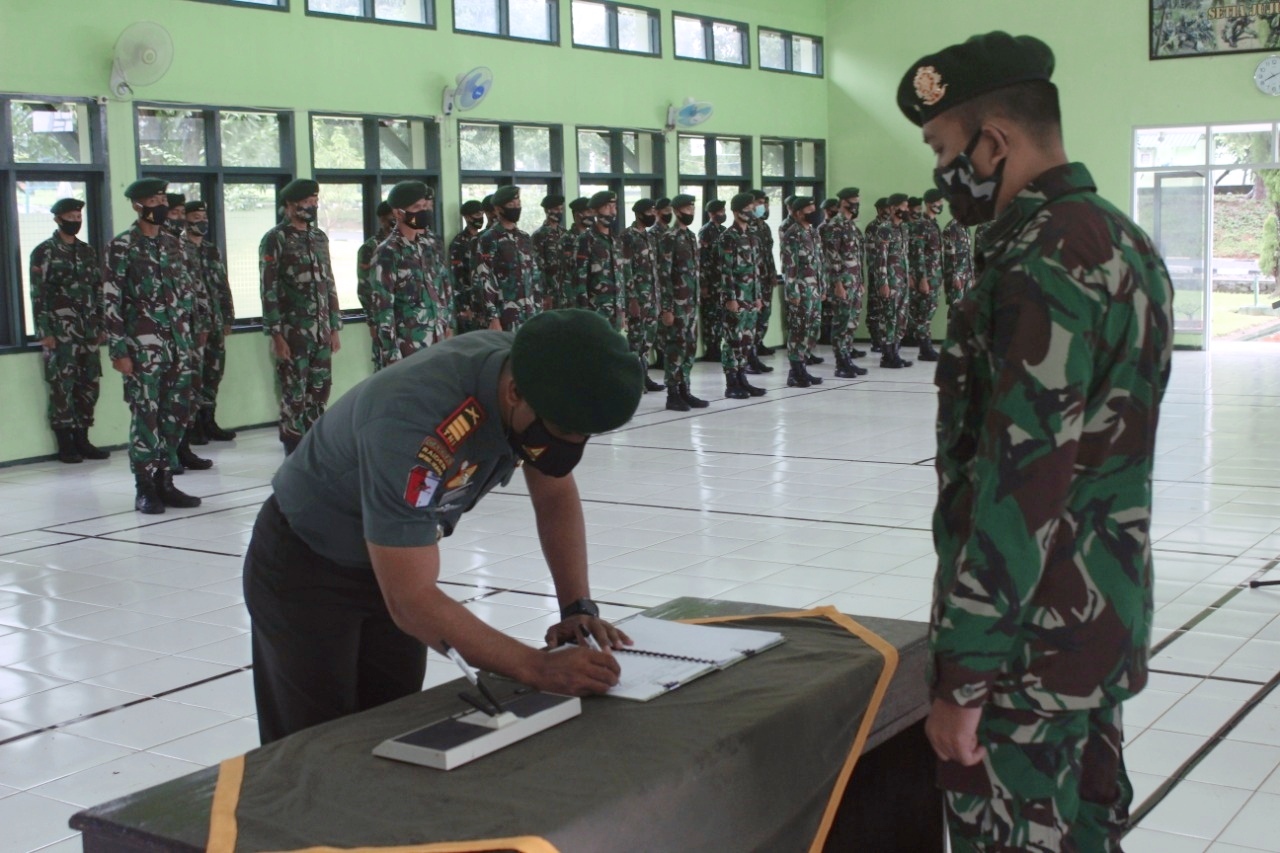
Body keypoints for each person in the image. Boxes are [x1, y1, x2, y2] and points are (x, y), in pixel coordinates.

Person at [898, 31, 1175, 852]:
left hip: (1025, 658)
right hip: (1094, 629)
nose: (943, 174)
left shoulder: (1039, 262)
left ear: (994, 143)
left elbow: (1021, 488)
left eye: (943, 150)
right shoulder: (1121, 241)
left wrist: (965, 678)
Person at [243, 309, 643, 744]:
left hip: (391, 560)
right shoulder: (415, 422)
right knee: (313, 749)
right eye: (563, 430)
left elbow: (554, 494)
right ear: (513, 394)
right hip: (307, 566)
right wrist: (537, 666)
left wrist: (577, 609)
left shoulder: (537, 379)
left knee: (391, 729)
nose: (571, 447)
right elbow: (411, 600)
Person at [103, 179, 202, 514]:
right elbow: (111, 301)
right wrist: (118, 350)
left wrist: (191, 336)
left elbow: (187, 295)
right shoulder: (122, 246)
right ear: (137, 205)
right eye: (153, 199)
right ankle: (144, 486)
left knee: (176, 413)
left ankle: (166, 481)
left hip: (178, 345)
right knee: (146, 415)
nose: (160, 204)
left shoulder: (175, 244)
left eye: (162, 198)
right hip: (142, 349)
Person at [259, 179, 342, 455]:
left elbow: (328, 282)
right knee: (294, 393)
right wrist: (276, 334)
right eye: (307, 202)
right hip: (293, 332)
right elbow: (268, 288)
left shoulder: (318, 237)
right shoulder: (276, 239)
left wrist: (334, 327)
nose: (312, 206)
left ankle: (314, 448)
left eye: (315, 201)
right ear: (290, 206)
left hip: (321, 331)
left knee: (319, 391)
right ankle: (292, 450)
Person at [30, 197, 109, 464]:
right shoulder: (44, 252)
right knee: (62, 387)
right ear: (57, 219)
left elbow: (99, 290)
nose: (75, 221)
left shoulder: (87, 252)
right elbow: (38, 294)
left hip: (88, 331)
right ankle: (66, 444)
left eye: (78, 217)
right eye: (70, 217)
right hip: (60, 333)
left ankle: (83, 439)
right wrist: (45, 331)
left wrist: (100, 324)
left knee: (89, 385)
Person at [370, 181, 450, 369]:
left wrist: (446, 326)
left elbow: (440, 290)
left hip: (436, 340)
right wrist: (392, 354)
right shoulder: (388, 251)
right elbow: (383, 307)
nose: (423, 212)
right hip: (407, 347)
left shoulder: (427, 246)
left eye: (424, 206)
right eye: (416, 208)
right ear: (398, 213)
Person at [164, 193, 214, 471]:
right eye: (175, 212)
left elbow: (197, 290)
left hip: (189, 331)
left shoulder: (183, 247)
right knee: (165, 397)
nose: (180, 218)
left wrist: (203, 324)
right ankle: (165, 455)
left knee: (190, 391)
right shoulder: (147, 247)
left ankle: (183, 448)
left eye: (182, 212)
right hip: (160, 335)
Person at [183, 200, 237, 442]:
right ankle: (192, 425)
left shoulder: (211, 250)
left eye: (204, 216)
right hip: (194, 326)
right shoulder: (179, 250)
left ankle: (209, 419)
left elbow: (222, 285)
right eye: (195, 217)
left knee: (214, 372)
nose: (201, 221)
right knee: (195, 374)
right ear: (185, 220)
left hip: (215, 322)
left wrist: (228, 316)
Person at [658, 194, 709, 412]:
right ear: (677, 211)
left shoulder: (689, 236)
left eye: (693, 208)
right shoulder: (669, 237)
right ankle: (672, 393)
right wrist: (667, 308)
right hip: (677, 304)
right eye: (688, 208)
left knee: (689, 347)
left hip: (690, 302)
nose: (692, 212)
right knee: (675, 348)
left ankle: (685, 389)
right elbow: (663, 275)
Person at [718, 193, 767, 400]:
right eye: (747, 208)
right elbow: (725, 270)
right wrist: (730, 298)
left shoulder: (752, 236)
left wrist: (758, 296)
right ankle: (731, 383)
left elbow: (755, 270)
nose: (752, 211)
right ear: (737, 212)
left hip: (750, 298)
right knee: (733, 341)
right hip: (735, 297)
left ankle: (742, 378)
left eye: (752, 207)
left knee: (747, 340)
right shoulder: (728, 237)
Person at [474, 186, 540, 333]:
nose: (516, 208)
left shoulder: (524, 237)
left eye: (518, 204)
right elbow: (485, 278)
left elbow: (534, 275)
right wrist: (493, 317)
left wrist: (539, 308)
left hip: (529, 313)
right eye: (511, 205)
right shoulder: (489, 238)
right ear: (498, 209)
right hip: (505, 315)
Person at [819, 187, 869, 378]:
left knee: (851, 323)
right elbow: (831, 259)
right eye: (853, 202)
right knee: (841, 323)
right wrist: (838, 284)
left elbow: (857, 257)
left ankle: (848, 358)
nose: (856, 205)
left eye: (857, 201)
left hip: (854, 283)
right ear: (843, 203)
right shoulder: (834, 226)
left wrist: (861, 281)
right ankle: (841, 363)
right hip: (842, 284)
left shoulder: (852, 226)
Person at [780, 196, 825, 388]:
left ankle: (801, 369)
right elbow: (789, 266)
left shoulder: (813, 233)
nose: (814, 213)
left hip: (814, 290)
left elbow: (819, 263)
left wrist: (822, 286)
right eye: (809, 210)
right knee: (799, 331)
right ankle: (796, 371)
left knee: (812, 330)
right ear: (798, 213)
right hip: (800, 290)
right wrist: (793, 293)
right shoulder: (793, 234)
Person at [866, 193, 914, 369]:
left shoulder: (903, 228)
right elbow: (881, 258)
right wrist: (883, 282)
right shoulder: (884, 229)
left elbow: (904, 256)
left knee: (901, 318)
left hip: (902, 281)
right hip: (890, 282)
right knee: (889, 318)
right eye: (903, 206)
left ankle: (895, 353)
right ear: (893, 208)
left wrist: (908, 276)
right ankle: (887, 356)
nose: (907, 210)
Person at [621, 199, 664, 392]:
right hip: (637, 297)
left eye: (654, 211)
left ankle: (644, 375)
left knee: (648, 339)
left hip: (652, 297)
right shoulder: (627, 237)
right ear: (638, 214)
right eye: (649, 211)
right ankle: (633, 378)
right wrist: (631, 299)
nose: (652, 215)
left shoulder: (650, 236)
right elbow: (626, 269)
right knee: (636, 339)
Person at [574, 190, 625, 330]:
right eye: (607, 207)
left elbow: (621, 277)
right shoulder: (585, 240)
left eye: (614, 207)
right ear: (596, 211)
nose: (612, 212)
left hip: (616, 311)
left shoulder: (617, 241)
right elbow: (579, 280)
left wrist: (623, 310)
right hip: (595, 312)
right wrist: (583, 314)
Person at [907, 188, 946, 362]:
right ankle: (925, 348)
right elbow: (918, 253)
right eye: (938, 202)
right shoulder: (921, 225)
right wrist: (922, 278)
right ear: (929, 203)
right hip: (926, 277)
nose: (941, 204)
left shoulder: (933, 223)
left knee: (928, 312)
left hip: (934, 276)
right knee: (923, 313)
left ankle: (926, 346)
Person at [358, 200, 394, 362]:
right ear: (382, 220)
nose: (394, 221)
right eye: (390, 218)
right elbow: (365, 286)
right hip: (382, 319)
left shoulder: (408, 244)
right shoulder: (370, 248)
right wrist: (372, 320)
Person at [746, 189, 779, 366]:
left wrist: (773, 273)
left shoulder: (764, 227)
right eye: (759, 202)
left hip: (766, 276)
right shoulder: (747, 227)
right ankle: (750, 352)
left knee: (765, 313)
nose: (763, 206)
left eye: (765, 202)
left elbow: (768, 253)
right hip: (752, 279)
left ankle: (758, 344)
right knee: (753, 316)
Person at [697, 199, 728, 363]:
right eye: (719, 211)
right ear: (711, 213)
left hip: (722, 282)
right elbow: (702, 260)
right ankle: (712, 349)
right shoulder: (705, 232)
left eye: (723, 210)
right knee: (710, 316)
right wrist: (703, 284)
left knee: (720, 316)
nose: (723, 214)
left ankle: (718, 345)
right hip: (710, 282)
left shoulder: (723, 230)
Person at [449, 200, 487, 334]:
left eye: (482, 213)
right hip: (468, 306)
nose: (480, 217)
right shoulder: (459, 243)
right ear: (467, 217)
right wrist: (464, 307)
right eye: (477, 214)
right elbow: (457, 278)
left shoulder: (484, 239)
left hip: (484, 303)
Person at [531, 194, 567, 312]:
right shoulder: (539, 235)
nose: (559, 212)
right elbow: (538, 268)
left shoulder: (565, 234)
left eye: (561, 209)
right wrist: (545, 294)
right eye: (556, 209)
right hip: (550, 292)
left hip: (566, 290)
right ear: (547, 210)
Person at [942, 211, 976, 308]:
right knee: (956, 309)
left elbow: (969, 254)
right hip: (956, 277)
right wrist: (955, 277)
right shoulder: (951, 228)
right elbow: (950, 255)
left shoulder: (966, 228)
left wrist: (973, 277)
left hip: (967, 275)